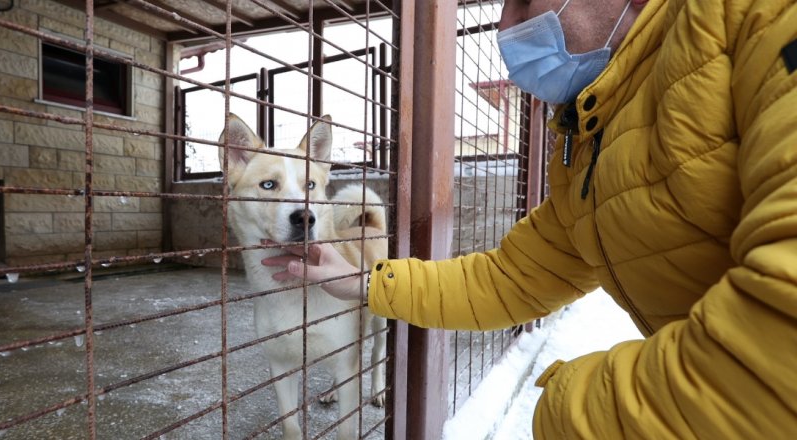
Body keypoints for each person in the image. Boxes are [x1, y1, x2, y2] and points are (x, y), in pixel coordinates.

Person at [263, 0, 797, 438]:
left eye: (522, 1)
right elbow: (509, 280)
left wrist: (567, 407)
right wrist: (364, 279)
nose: (506, 27)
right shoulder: (587, 138)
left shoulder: (754, 18)